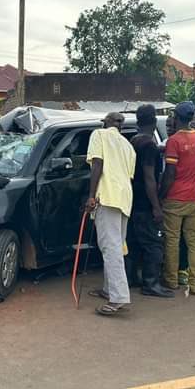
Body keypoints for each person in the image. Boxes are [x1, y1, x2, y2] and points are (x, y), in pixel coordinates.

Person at [85, 112, 136, 316]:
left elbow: (97, 164)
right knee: (114, 245)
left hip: (107, 195)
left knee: (111, 247)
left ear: (106, 123)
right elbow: (128, 176)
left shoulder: (99, 134)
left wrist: (91, 195)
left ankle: (118, 298)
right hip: (124, 198)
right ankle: (108, 290)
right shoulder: (128, 146)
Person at [127, 105, 174, 298]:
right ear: (154, 122)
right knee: (154, 244)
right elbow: (149, 178)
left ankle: (132, 278)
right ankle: (151, 283)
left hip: (132, 198)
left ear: (138, 121)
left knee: (134, 242)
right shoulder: (149, 145)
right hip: (145, 201)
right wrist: (156, 206)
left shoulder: (133, 141)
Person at [159, 101, 195, 294]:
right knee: (193, 240)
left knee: (172, 239)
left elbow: (169, 173)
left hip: (176, 197)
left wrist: (161, 196)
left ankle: (171, 280)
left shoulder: (174, 141)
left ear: (175, 117)